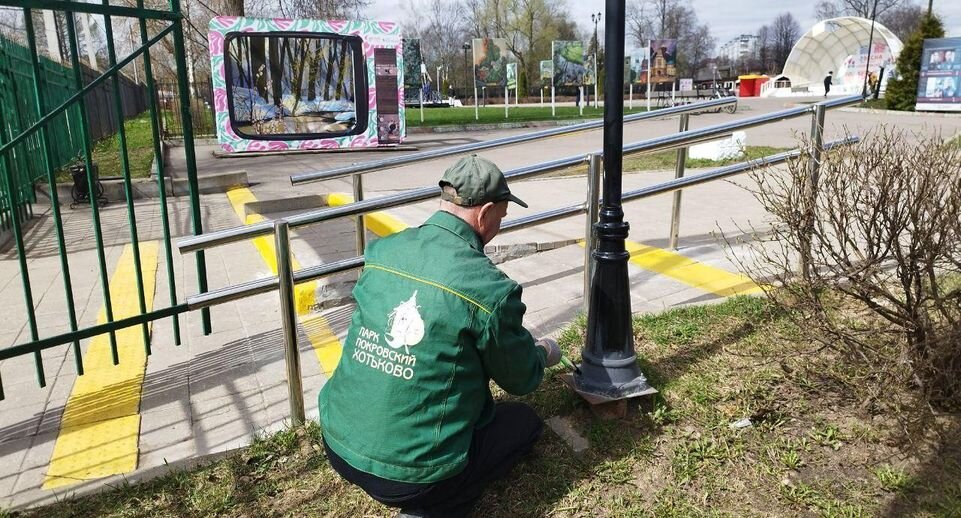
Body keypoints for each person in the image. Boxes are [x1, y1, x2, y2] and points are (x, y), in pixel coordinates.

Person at [319, 154, 562, 517]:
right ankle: (432, 507)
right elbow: (521, 378)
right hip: (411, 477)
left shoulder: (383, 250)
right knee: (523, 423)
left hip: (338, 444)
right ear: (484, 214)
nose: (504, 220)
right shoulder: (490, 289)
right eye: (503, 213)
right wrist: (543, 352)